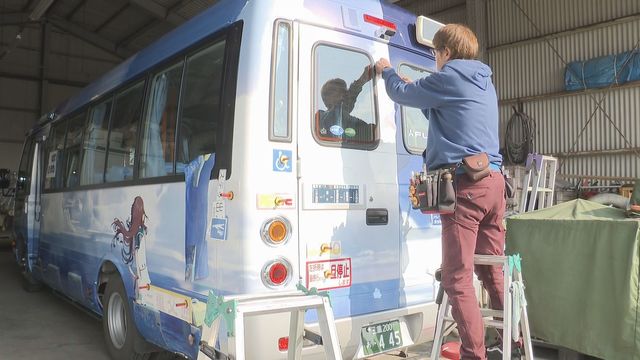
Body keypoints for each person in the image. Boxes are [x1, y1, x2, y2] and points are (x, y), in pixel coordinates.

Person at [375, 24, 508, 360]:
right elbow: (442, 111)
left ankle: (473, 355)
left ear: (445, 52)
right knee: (491, 268)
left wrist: (387, 72)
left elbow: (401, 96)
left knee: (456, 278)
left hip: (467, 188)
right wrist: (414, 89)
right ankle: (512, 342)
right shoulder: (483, 81)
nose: (435, 59)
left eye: (435, 53)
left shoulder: (448, 76)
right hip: (494, 184)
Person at [316, 65, 374, 141]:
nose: (345, 96)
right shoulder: (321, 118)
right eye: (343, 93)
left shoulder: (348, 122)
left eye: (345, 93)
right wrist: (361, 80)